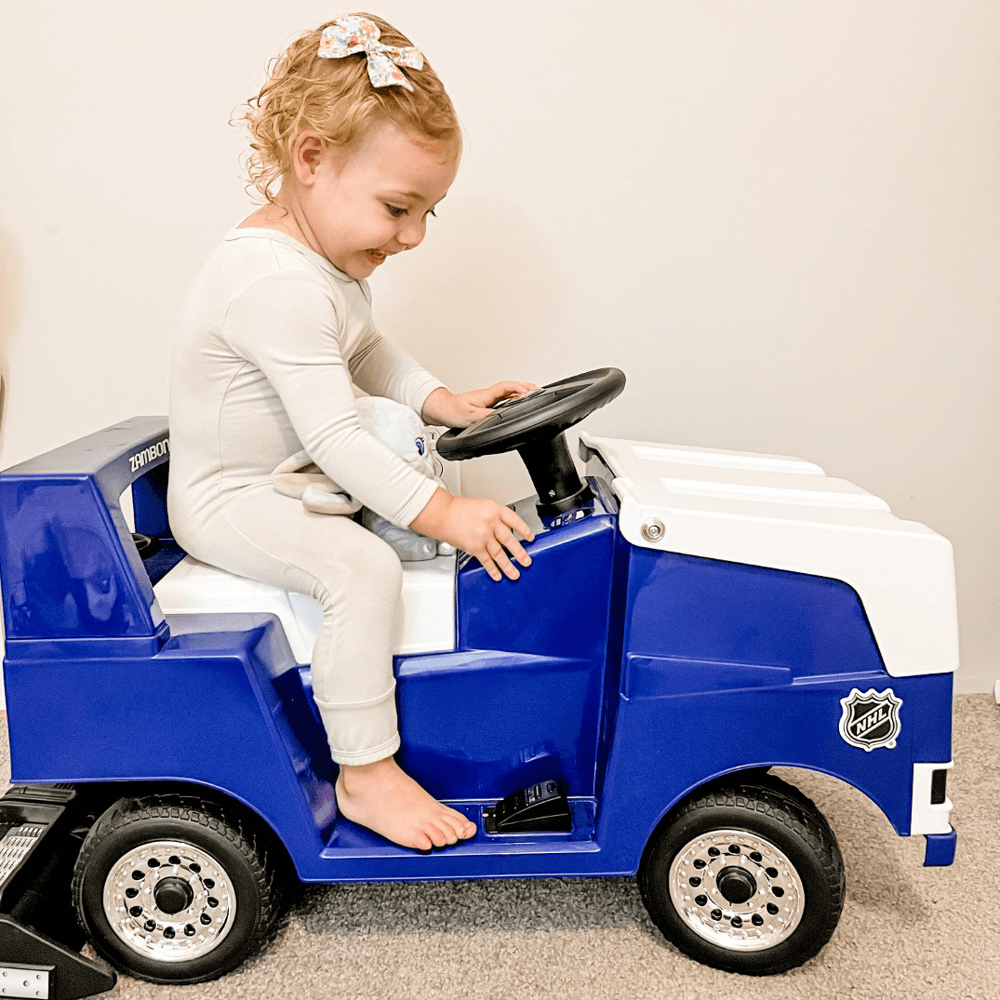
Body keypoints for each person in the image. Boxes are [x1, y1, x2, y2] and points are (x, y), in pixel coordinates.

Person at [167, 13, 536, 852]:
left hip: (282, 474)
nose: (411, 236)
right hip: (230, 498)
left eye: (428, 214)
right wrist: (441, 513)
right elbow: (336, 436)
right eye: (399, 208)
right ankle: (366, 773)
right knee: (362, 570)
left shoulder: (320, 266)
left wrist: (444, 401)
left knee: (416, 465)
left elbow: (367, 351)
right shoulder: (272, 284)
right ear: (310, 160)